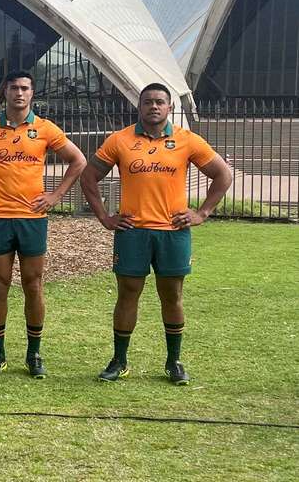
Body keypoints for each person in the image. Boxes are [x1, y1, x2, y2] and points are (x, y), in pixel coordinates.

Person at [80, 83, 232, 385]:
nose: (154, 106)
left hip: (173, 232)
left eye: (160, 102)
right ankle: (119, 360)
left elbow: (223, 174)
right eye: (148, 102)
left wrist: (201, 213)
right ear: (140, 106)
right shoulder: (120, 140)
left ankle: (173, 362)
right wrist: (104, 217)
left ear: (169, 108)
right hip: (133, 232)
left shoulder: (187, 140)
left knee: (172, 296)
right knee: (127, 294)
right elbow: (89, 176)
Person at [0, 70, 86, 378]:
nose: (19, 93)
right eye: (14, 88)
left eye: (25, 88)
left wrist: (55, 196)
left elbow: (78, 160)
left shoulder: (45, 128)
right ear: (6, 93)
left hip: (32, 219)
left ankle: (33, 354)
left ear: (31, 93)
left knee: (33, 285)